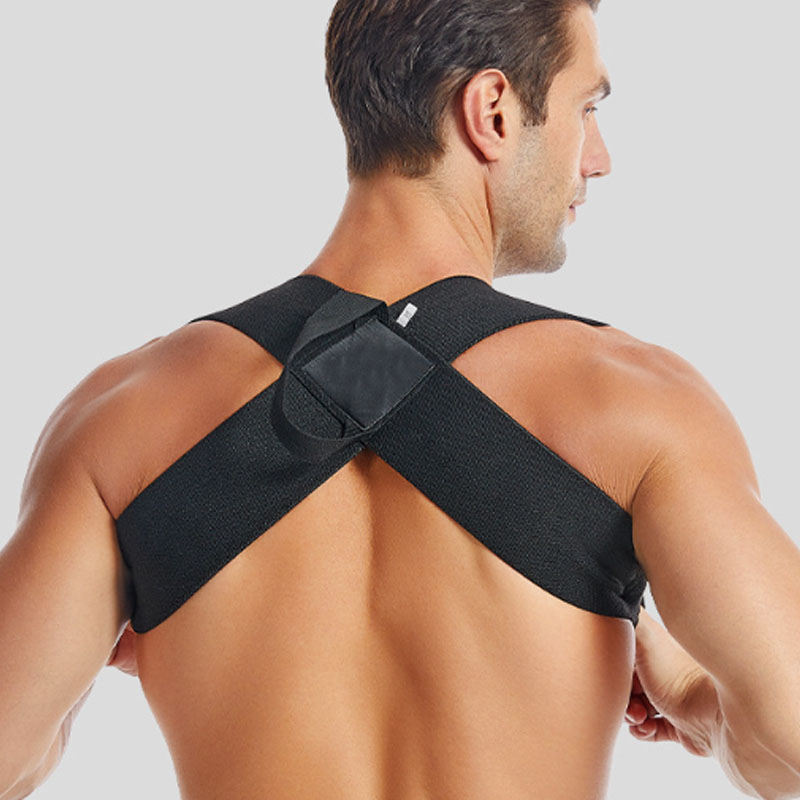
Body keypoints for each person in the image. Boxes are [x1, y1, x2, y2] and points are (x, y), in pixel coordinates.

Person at [1, 1, 799, 798]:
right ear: (492, 111)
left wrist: (107, 640)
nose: (598, 157)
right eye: (585, 108)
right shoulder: (635, 408)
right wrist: (695, 701)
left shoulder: (124, 418)